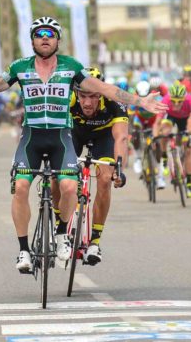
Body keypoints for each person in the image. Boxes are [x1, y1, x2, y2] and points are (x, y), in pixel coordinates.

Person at [0, 16, 165, 273]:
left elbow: (105, 89)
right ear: (32, 40)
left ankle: (61, 235)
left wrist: (141, 101)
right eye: (39, 34)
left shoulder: (72, 68)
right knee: (21, 187)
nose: (45, 38)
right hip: (32, 137)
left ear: (58, 40)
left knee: (70, 186)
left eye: (50, 34)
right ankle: (24, 250)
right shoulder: (20, 67)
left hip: (61, 136)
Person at [68, 67, 128, 265]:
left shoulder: (114, 99)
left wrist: (119, 170)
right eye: (83, 96)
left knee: (104, 178)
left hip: (103, 136)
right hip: (74, 132)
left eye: (93, 96)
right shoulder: (67, 97)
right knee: (59, 174)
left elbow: (121, 137)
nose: (87, 102)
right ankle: (59, 230)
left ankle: (94, 241)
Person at [152, 82, 191, 196]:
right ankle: (164, 157)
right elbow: (157, 122)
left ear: (184, 98)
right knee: (165, 131)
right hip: (171, 118)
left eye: (179, 101)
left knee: (188, 149)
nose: (176, 104)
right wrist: (156, 137)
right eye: (173, 101)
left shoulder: (190, 100)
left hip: (186, 119)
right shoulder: (165, 101)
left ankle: (189, 183)